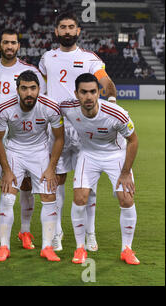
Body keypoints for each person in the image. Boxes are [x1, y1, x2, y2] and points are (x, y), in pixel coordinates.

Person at [38, 11, 117, 252]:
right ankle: (57, 233)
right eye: (63, 27)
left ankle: (90, 234)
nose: (67, 31)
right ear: (56, 31)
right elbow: (41, 89)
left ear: (78, 31)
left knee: (88, 183)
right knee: (57, 180)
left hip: (84, 127)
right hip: (57, 126)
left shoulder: (89, 58)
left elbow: (105, 82)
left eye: (71, 27)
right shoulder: (47, 58)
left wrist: (111, 102)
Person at [60, 73, 139, 265]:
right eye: (84, 92)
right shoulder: (67, 108)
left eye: (93, 92)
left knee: (126, 199)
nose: (89, 97)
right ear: (76, 93)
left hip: (116, 155)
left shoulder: (116, 113)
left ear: (99, 93)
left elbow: (133, 140)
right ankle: (80, 248)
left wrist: (126, 172)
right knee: (79, 198)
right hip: (88, 154)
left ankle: (126, 249)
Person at [0, 28, 46, 250]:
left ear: (19, 46)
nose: (9, 46)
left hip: (23, 138)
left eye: (13, 43)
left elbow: (38, 101)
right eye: (5, 42)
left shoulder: (29, 70)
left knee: (26, 184)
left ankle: (25, 231)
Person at [0, 70, 64, 262]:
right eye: (24, 88)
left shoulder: (50, 107)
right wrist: (6, 170)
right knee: (8, 198)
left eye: (33, 88)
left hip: (40, 152)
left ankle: (47, 247)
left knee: (49, 196)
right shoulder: (4, 108)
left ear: (39, 89)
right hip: (14, 150)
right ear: (17, 90)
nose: (28, 93)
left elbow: (59, 138)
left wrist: (51, 167)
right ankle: (4, 247)